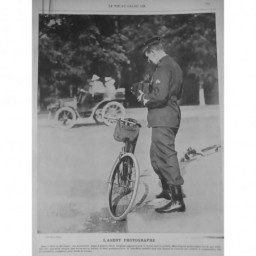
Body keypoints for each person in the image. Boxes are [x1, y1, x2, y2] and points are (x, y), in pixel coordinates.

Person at [137, 37, 186, 213]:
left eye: (148, 56)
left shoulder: (163, 67)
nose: (148, 60)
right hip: (167, 114)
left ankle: (177, 200)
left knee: (166, 156)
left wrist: (144, 98)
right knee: (156, 156)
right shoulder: (172, 64)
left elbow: (160, 96)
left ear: (154, 51)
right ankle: (167, 192)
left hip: (164, 116)